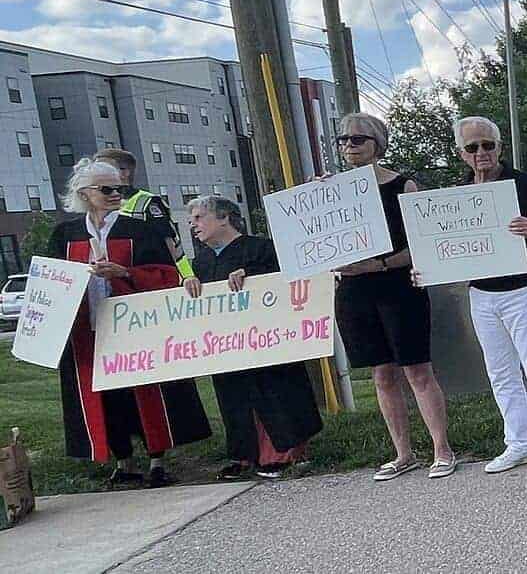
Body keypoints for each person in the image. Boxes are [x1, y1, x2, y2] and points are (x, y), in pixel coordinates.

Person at [423, 116, 527, 475]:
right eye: (472, 147)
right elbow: (447, 249)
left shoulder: (522, 184)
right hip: (482, 294)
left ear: (500, 147)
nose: (481, 152)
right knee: (500, 373)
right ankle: (520, 442)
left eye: (488, 145)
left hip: (525, 290)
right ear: (461, 153)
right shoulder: (459, 195)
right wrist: (428, 270)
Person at [49, 159, 211, 487]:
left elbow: (167, 277)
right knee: (108, 400)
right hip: (88, 334)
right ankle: (124, 462)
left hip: (136, 332)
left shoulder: (139, 231)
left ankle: (157, 462)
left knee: (146, 395)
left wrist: (124, 273)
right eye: (106, 189)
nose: (116, 194)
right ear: (85, 193)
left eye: (119, 189)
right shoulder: (65, 236)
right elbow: (51, 282)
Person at [331, 112, 455, 481]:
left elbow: (421, 244)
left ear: (377, 144)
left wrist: (380, 264)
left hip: (398, 287)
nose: (349, 146)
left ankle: (442, 449)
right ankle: (403, 453)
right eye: (343, 140)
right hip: (353, 291)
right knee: (381, 373)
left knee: (417, 369)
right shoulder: (330, 192)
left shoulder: (403, 185)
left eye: (358, 139)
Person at [182, 195, 322, 479]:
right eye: (191, 220)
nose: (193, 225)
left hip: (268, 342)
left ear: (224, 217)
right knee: (233, 397)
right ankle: (243, 455)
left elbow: (291, 279)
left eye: (198, 218)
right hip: (225, 344)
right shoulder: (201, 262)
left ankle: (283, 453)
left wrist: (253, 275)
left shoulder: (262, 249)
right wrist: (187, 282)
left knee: (273, 393)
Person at [91, 148, 195, 284]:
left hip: (145, 280)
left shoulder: (147, 202)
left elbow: (169, 244)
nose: (96, 173)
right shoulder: (97, 205)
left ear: (125, 172)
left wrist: (181, 277)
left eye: (103, 168)